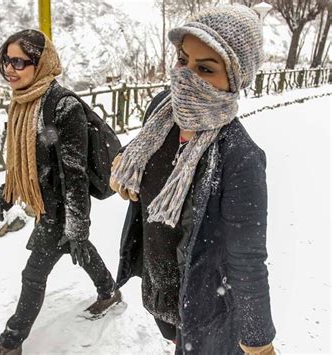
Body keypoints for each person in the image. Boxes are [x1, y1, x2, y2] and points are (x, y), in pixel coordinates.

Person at [111, 5, 276, 354]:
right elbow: (145, 153)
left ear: (235, 78)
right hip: (160, 287)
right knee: (174, 338)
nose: (185, 76)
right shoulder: (163, 111)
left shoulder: (239, 157)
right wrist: (127, 164)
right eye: (182, 60)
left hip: (203, 304)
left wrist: (259, 342)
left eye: (205, 68)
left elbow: (247, 258)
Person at [0, 29, 121, 355]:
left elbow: (74, 175)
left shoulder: (62, 107)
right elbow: (18, 165)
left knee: (33, 274)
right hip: (44, 203)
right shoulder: (21, 104)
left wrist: (76, 226)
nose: (9, 69)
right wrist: (0, 203)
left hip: (62, 207)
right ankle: (109, 290)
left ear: (40, 63)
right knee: (79, 249)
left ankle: (10, 342)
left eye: (19, 61)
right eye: (6, 60)